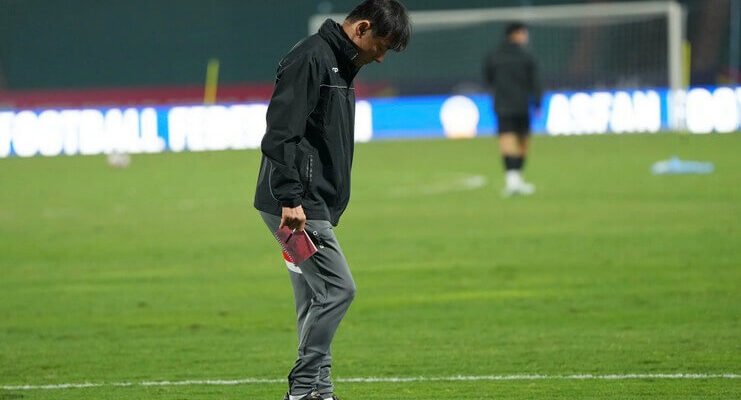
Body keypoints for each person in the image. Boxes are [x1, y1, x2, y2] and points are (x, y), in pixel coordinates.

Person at [253, 1, 410, 399]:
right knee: (339, 290)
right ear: (361, 28)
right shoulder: (312, 59)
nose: (380, 57)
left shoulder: (338, 65)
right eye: (381, 45)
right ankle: (304, 388)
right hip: (298, 209)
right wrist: (291, 198)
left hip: (307, 203)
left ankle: (319, 392)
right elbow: (280, 133)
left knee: (313, 297)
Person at [484, 22, 542, 196]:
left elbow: (488, 78)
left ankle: (512, 180)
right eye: (523, 33)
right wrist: (538, 103)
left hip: (502, 104)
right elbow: (536, 81)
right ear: (515, 34)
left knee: (506, 140)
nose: (525, 36)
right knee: (522, 142)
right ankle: (516, 179)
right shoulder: (527, 56)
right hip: (522, 104)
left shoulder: (493, 55)